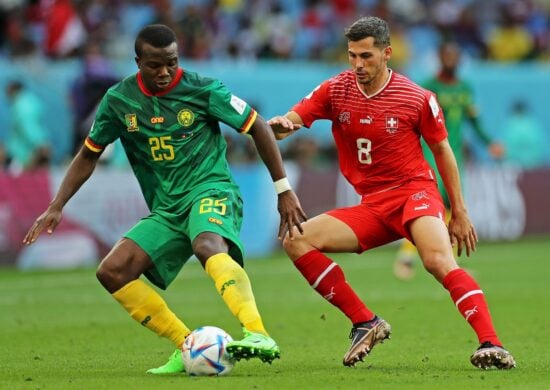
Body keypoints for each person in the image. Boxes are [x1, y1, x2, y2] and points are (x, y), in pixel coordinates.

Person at [23, 24, 306, 374]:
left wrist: (283, 189)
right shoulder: (118, 100)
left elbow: (258, 126)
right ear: (138, 61)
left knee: (207, 245)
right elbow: (88, 154)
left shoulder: (203, 89)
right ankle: (188, 345)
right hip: (167, 209)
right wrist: (56, 205)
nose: (165, 72)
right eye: (155, 65)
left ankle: (258, 333)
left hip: (210, 188)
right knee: (112, 271)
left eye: (171, 62)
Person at [268, 16, 515, 370]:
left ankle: (492, 344)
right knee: (296, 240)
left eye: (366, 56)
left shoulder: (416, 97)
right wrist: (282, 125)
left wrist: (459, 210)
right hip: (372, 205)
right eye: (352, 55)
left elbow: (443, 151)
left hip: (415, 193)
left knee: (436, 261)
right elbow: (293, 119)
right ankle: (365, 322)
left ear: (387, 53)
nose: (357, 64)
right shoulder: (335, 90)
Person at [393, 40, 505, 280]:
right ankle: (405, 257)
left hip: (454, 157)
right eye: (447, 56)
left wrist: (489, 143)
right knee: (424, 204)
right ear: (440, 59)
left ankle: (448, 262)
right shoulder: (428, 88)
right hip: (428, 154)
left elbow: (474, 122)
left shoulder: (465, 89)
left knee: (451, 207)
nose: (450, 61)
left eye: (454, 57)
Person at [4, 80, 51, 173]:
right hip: (30, 150)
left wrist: (39, 144)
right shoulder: (32, 101)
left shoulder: (21, 105)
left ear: (13, 90)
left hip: (23, 154)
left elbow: (28, 127)